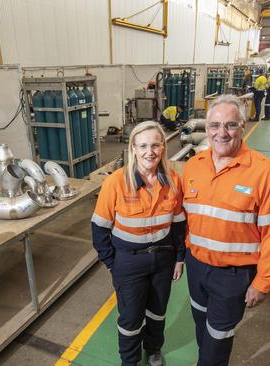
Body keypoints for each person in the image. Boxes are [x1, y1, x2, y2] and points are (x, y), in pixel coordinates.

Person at [182, 95, 270, 366]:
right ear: (206, 128)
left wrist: (263, 281)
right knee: (201, 325)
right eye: (214, 125)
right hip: (196, 268)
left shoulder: (265, 173)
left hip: (233, 275)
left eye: (230, 125)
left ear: (243, 126)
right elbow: (185, 217)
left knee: (218, 337)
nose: (221, 133)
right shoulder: (194, 165)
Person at [91, 121, 186, 366]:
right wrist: (113, 264)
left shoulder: (173, 181)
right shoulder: (116, 182)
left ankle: (153, 349)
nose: (149, 152)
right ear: (133, 148)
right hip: (129, 261)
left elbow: (177, 225)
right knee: (131, 317)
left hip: (163, 260)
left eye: (155, 145)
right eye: (142, 145)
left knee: (157, 311)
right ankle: (130, 361)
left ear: (163, 147)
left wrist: (179, 258)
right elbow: (99, 227)